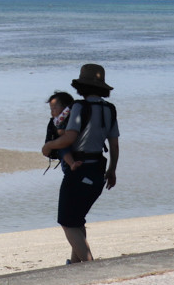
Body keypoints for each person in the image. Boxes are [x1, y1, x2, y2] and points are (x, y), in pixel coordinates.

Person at [41, 63, 119, 264]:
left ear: (81, 86)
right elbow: (114, 144)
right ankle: (76, 266)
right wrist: (112, 170)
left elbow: (69, 138)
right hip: (99, 169)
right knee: (77, 220)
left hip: (79, 170)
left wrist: (48, 146)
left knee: (67, 222)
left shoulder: (79, 107)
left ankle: (89, 266)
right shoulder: (109, 109)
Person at [44, 91, 79, 171]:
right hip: (63, 151)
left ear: (65, 108)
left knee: (63, 148)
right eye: (51, 109)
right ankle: (72, 164)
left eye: (54, 108)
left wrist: (64, 133)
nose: (52, 112)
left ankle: (72, 164)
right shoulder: (54, 122)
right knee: (63, 149)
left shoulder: (73, 118)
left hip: (76, 150)